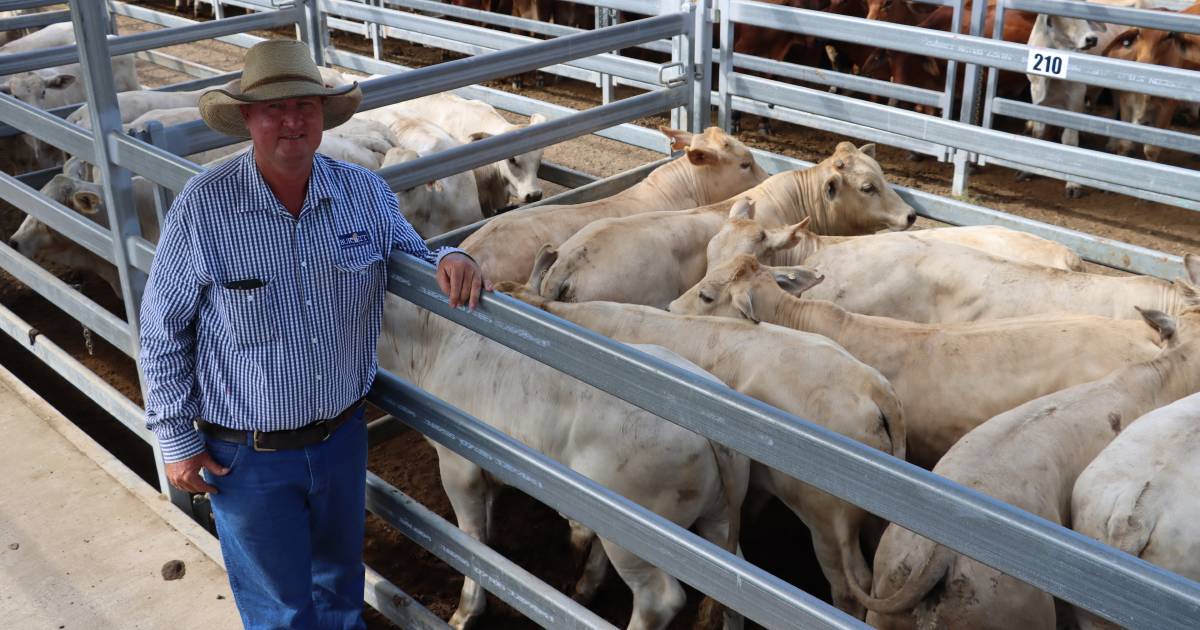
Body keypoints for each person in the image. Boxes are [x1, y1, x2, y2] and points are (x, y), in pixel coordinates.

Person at [138, 39, 488, 629]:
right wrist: (176, 439)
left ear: (323, 114)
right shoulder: (205, 208)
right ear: (247, 117)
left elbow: (412, 253)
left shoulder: (363, 192)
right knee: (281, 611)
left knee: (340, 588)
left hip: (341, 439)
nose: (291, 119)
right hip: (246, 455)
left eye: (304, 104)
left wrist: (454, 257)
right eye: (273, 108)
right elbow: (162, 330)